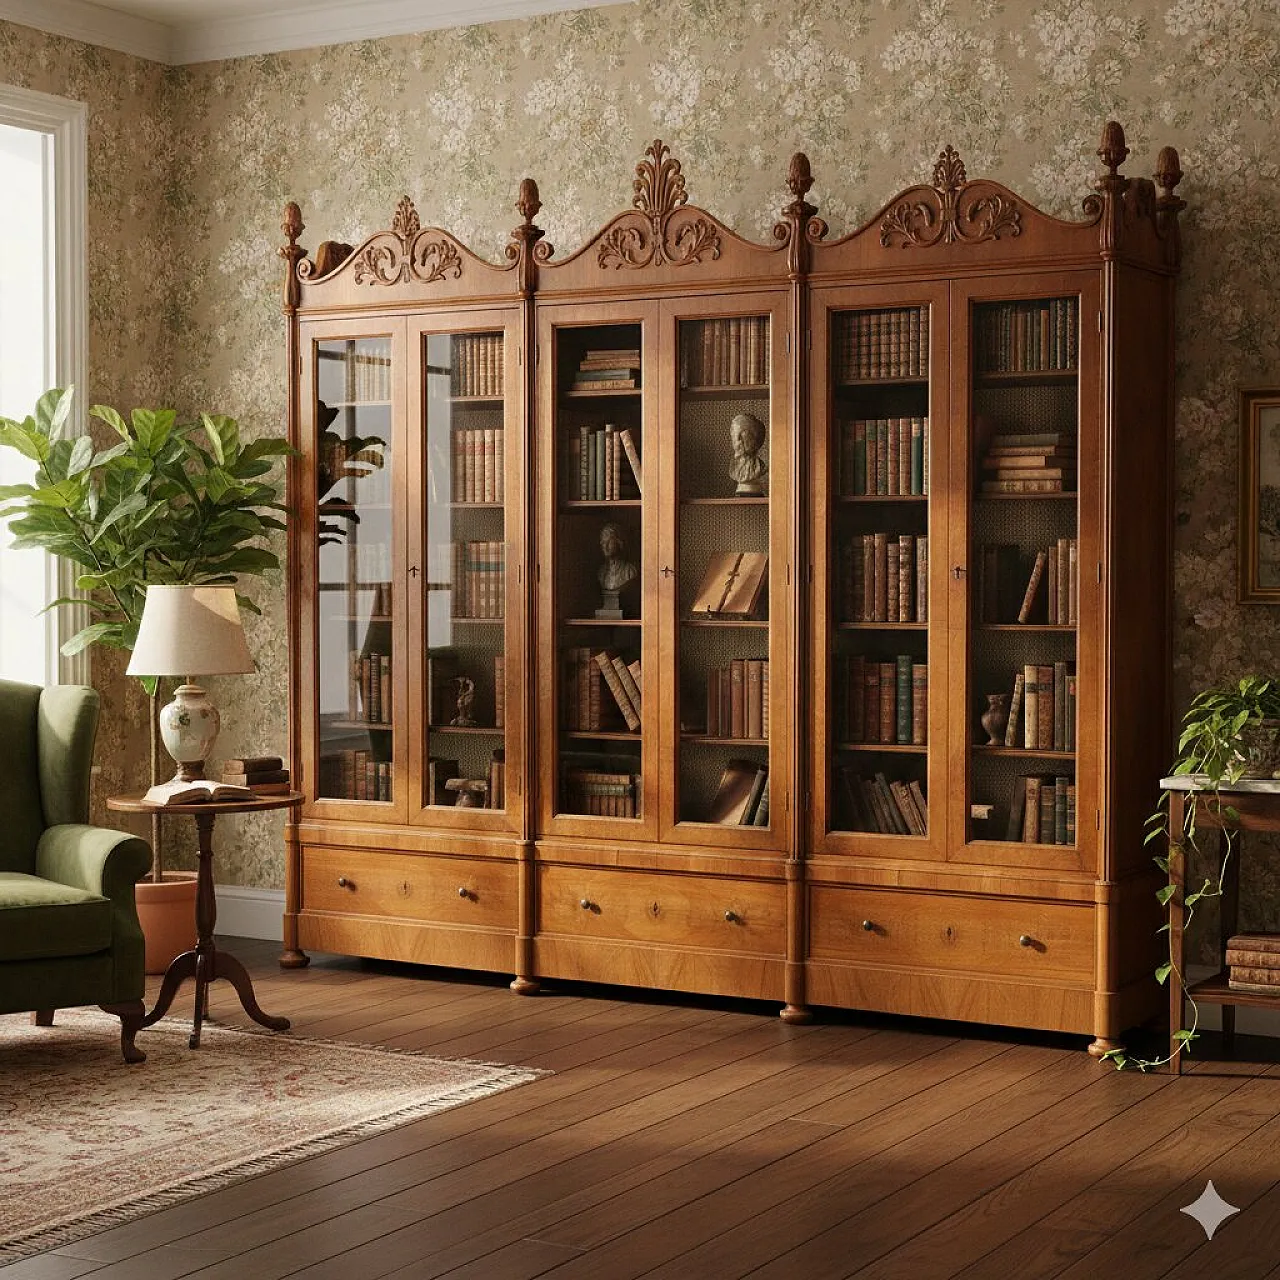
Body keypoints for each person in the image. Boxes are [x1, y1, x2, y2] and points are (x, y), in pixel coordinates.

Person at [728, 412, 767, 495]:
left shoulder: (760, 467)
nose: (737, 440)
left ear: (755, 440)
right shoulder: (733, 466)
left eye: (743, 434)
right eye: (734, 434)